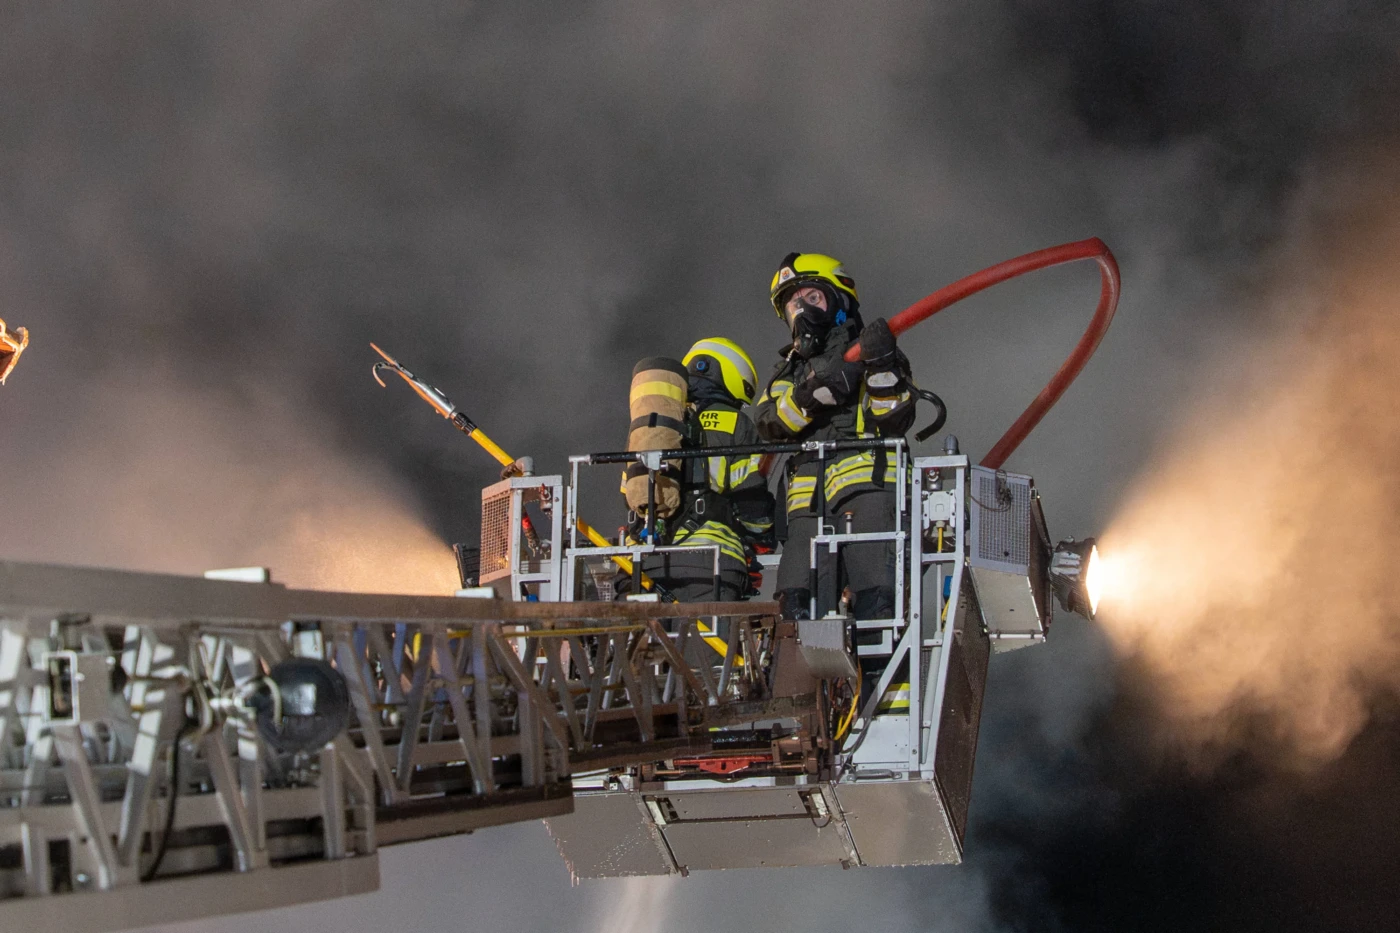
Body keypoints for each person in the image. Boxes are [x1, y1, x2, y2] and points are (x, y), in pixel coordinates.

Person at [754, 253, 916, 622]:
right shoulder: (790, 370)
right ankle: (805, 680)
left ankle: (881, 677)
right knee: (795, 609)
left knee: (876, 601)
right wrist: (815, 390)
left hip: (869, 492)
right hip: (806, 508)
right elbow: (767, 423)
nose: (802, 310)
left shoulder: (877, 351)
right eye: (794, 305)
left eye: (812, 298)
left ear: (839, 299)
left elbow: (894, 418)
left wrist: (879, 365)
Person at [617, 337, 775, 602]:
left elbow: (627, 495)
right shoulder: (735, 422)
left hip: (638, 563)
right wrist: (761, 541)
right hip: (707, 566)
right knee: (704, 643)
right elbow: (751, 498)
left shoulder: (653, 424)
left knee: (639, 644)